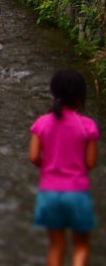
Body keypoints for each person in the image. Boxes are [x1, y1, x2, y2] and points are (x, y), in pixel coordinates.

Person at [30, 69, 99, 266]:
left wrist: (50, 167)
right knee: (81, 246)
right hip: (77, 191)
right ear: (80, 97)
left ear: (54, 93)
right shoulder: (88, 126)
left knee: (56, 246)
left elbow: (34, 156)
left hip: (50, 191)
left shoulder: (41, 124)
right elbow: (91, 163)